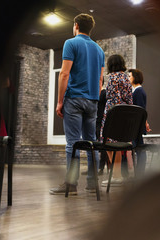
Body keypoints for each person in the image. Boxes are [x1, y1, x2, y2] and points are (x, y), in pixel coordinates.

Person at [49, 13, 105, 195]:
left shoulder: (70, 43)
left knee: (72, 143)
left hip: (74, 99)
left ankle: (71, 185)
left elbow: (64, 74)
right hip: (92, 101)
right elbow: (100, 80)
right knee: (92, 143)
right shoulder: (99, 50)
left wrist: (59, 102)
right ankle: (92, 183)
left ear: (76, 26)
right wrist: (94, 98)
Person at [100, 54, 133, 187]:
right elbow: (129, 99)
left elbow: (114, 98)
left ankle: (116, 175)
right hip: (125, 114)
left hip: (113, 112)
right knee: (117, 145)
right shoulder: (126, 78)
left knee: (107, 142)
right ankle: (117, 175)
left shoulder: (113, 77)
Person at [126, 69, 151, 177]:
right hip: (137, 124)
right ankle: (139, 173)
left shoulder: (139, 91)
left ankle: (139, 173)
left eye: (130, 76)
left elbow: (140, 110)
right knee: (138, 148)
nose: (128, 78)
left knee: (139, 149)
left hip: (136, 125)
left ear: (135, 77)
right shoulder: (136, 91)